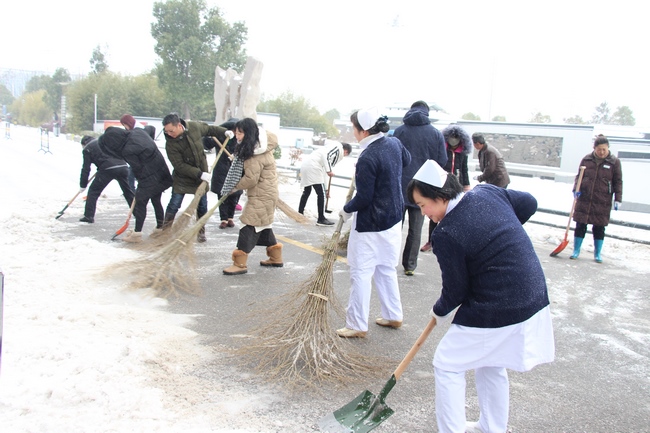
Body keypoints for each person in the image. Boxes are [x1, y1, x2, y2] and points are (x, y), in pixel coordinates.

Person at [407, 159, 555, 433]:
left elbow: (456, 291)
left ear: (440, 197)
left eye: (423, 205)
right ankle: (492, 427)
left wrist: (438, 311)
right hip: (532, 293)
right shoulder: (487, 192)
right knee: (491, 362)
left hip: (498, 305)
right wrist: (500, 232)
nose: (424, 212)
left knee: (447, 363)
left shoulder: (447, 233)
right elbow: (529, 202)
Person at [336, 107, 411, 338]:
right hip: (394, 218)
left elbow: (364, 197)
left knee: (361, 272)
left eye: (354, 127)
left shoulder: (368, 156)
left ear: (363, 130)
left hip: (371, 223)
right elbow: (407, 161)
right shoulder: (394, 144)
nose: (353, 131)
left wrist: (345, 210)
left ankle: (357, 324)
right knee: (386, 268)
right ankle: (393, 314)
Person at [222, 118, 283, 275]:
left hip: (261, 195)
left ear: (249, 134)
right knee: (263, 225)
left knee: (248, 224)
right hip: (267, 194)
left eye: (240, 133)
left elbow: (250, 179)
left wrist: (233, 187)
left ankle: (239, 263)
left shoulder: (254, 154)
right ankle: (276, 258)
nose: (237, 136)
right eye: (236, 132)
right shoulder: (260, 147)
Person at [393, 100, 447, 275]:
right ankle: (409, 265)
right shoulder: (435, 134)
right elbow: (442, 161)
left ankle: (389, 262)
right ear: (427, 113)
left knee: (394, 228)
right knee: (415, 230)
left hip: (399, 186)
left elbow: (390, 155)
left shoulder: (399, 131)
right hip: (423, 190)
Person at [161, 113, 230, 243]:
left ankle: (201, 231)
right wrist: (199, 174)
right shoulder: (170, 144)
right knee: (174, 204)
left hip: (200, 178)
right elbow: (179, 165)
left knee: (202, 206)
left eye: (171, 130)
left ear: (179, 125)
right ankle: (165, 232)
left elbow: (209, 129)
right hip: (183, 178)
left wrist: (225, 132)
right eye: (167, 131)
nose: (169, 134)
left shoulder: (194, 127)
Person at [98, 126, 173, 242]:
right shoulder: (137, 131)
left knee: (141, 202)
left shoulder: (127, 150)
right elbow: (151, 129)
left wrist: (141, 185)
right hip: (161, 170)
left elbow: (137, 168)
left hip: (150, 175)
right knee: (156, 200)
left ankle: (137, 234)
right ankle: (159, 228)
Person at [420, 124, 473, 253]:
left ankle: (450, 241)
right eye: (452, 137)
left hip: (456, 185)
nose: (454, 140)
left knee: (452, 214)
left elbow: (464, 169)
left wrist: (466, 185)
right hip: (440, 184)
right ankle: (431, 241)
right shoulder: (443, 149)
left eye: (456, 137)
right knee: (435, 213)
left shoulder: (462, 153)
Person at [570, 134, 623, 263]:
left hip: (602, 200)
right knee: (581, 224)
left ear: (608, 148)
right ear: (594, 148)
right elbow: (579, 176)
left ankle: (597, 253)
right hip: (585, 198)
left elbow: (618, 181)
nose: (601, 152)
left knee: (599, 227)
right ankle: (576, 250)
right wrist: (576, 189)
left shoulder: (614, 162)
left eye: (604, 149)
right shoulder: (587, 160)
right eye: (599, 149)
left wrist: (618, 199)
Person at [77, 135, 134, 223]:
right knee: (128, 192)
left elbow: (86, 168)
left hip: (107, 169)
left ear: (84, 144)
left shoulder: (87, 149)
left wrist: (83, 185)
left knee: (93, 191)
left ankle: (89, 216)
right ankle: (138, 212)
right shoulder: (104, 141)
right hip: (123, 166)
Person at [298, 140, 352, 226]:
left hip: (307, 165)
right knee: (321, 194)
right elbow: (325, 156)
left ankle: (299, 213)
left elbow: (324, 174)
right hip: (314, 167)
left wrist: (326, 189)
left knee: (307, 191)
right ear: (346, 151)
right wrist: (329, 170)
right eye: (346, 155)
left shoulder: (329, 147)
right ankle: (321, 218)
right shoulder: (338, 147)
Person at [202, 118, 242, 229]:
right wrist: (213, 133)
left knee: (234, 195)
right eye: (234, 130)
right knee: (222, 195)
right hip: (221, 170)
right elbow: (206, 144)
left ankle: (230, 218)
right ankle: (223, 219)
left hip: (235, 169)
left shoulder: (240, 140)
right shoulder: (220, 137)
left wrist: (236, 157)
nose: (235, 133)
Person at [119, 114, 145, 192]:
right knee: (131, 173)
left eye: (124, 124)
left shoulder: (139, 129)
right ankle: (132, 191)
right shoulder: (132, 129)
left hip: (141, 156)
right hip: (135, 156)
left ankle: (133, 191)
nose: (124, 127)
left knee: (133, 173)